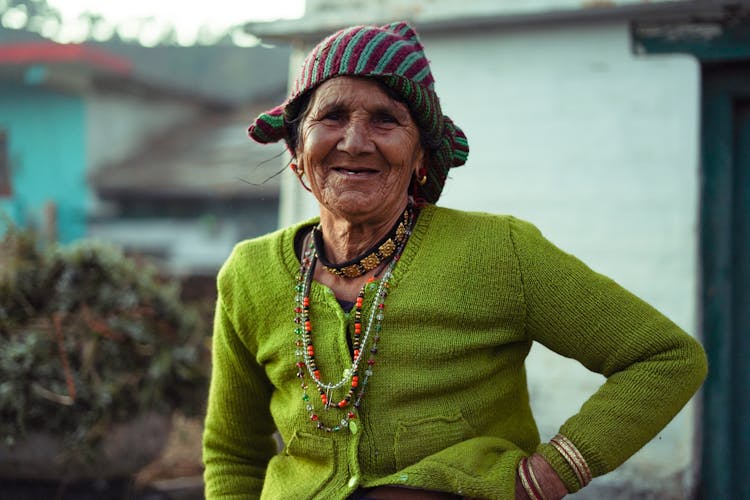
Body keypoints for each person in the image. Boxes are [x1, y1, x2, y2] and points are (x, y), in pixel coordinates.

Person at [202, 21, 708, 500]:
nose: (355, 142)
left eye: (386, 120)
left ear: (420, 156)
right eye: (331, 117)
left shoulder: (497, 251)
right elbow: (232, 452)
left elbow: (665, 358)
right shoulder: (251, 274)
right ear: (297, 150)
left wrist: (552, 472)